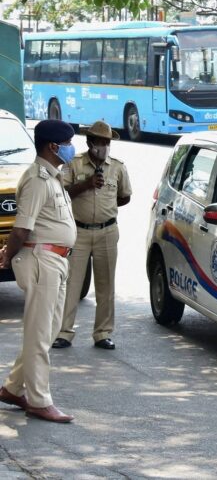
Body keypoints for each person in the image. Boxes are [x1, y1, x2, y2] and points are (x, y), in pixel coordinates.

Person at [0, 120, 77, 423]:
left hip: (55, 260)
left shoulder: (54, 177)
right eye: (69, 142)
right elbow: (21, 229)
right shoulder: (36, 179)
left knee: (49, 329)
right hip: (41, 259)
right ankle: (39, 400)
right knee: (39, 332)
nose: (74, 148)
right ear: (53, 146)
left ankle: (13, 388)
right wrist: (8, 256)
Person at [53, 121, 131, 350]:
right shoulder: (74, 164)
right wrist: (87, 185)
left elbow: (125, 196)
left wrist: (107, 208)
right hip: (78, 231)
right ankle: (64, 333)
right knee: (71, 284)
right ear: (89, 142)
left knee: (106, 285)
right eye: (100, 142)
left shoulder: (117, 167)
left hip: (107, 231)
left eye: (107, 142)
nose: (104, 146)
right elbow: (61, 192)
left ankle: (103, 333)